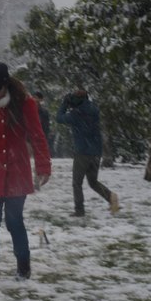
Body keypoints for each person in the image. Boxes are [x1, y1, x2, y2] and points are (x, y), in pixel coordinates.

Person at [0, 62, 52, 284]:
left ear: (5, 85)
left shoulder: (25, 104)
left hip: (16, 171)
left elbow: (37, 136)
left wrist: (43, 167)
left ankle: (23, 270)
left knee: (14, 222)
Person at [56, 88, 119, 217]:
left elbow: (59, 118)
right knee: (93, 182)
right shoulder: (94, 109)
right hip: (96, 151)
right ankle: (110, 196)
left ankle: (79, 210)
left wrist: (64, 104)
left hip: (83, 151)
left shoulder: (76, 114)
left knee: (77, 183)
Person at [35, 91, 53, 156]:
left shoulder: (44, 112)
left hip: (40, 136)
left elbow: (46, 126)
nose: (35, 100)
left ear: (41, 99)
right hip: (30, 137)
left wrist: (45, 136)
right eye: (34, 97)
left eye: (37, 98)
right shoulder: (28, 110)